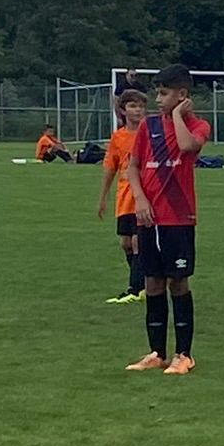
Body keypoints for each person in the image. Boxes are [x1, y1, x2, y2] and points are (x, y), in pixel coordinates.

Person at [124, 64, 210, 375]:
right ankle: (157, 353)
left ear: (182, 95)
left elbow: (187, 146)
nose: (158, 100)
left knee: (178, 282)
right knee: (152, 282)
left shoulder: (198, 125)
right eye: (157, 94)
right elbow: (133, 166)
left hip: (178, 217)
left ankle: (184, 355)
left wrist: (177, 116)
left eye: (164, 94)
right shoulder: (148, 127)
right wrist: (140, 198)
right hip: (149, 218)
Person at [97, 84, 146, 305]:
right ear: (123, 110)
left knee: (137, 242)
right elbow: (110, 168)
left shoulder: (149, 133)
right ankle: (144, 282)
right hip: (124, 197)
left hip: (144, 196)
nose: (138, 110)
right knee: (126, 243)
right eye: (133, 106)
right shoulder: (118, 138)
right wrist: (103, 198)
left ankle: (135, 289)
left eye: (141, 106)